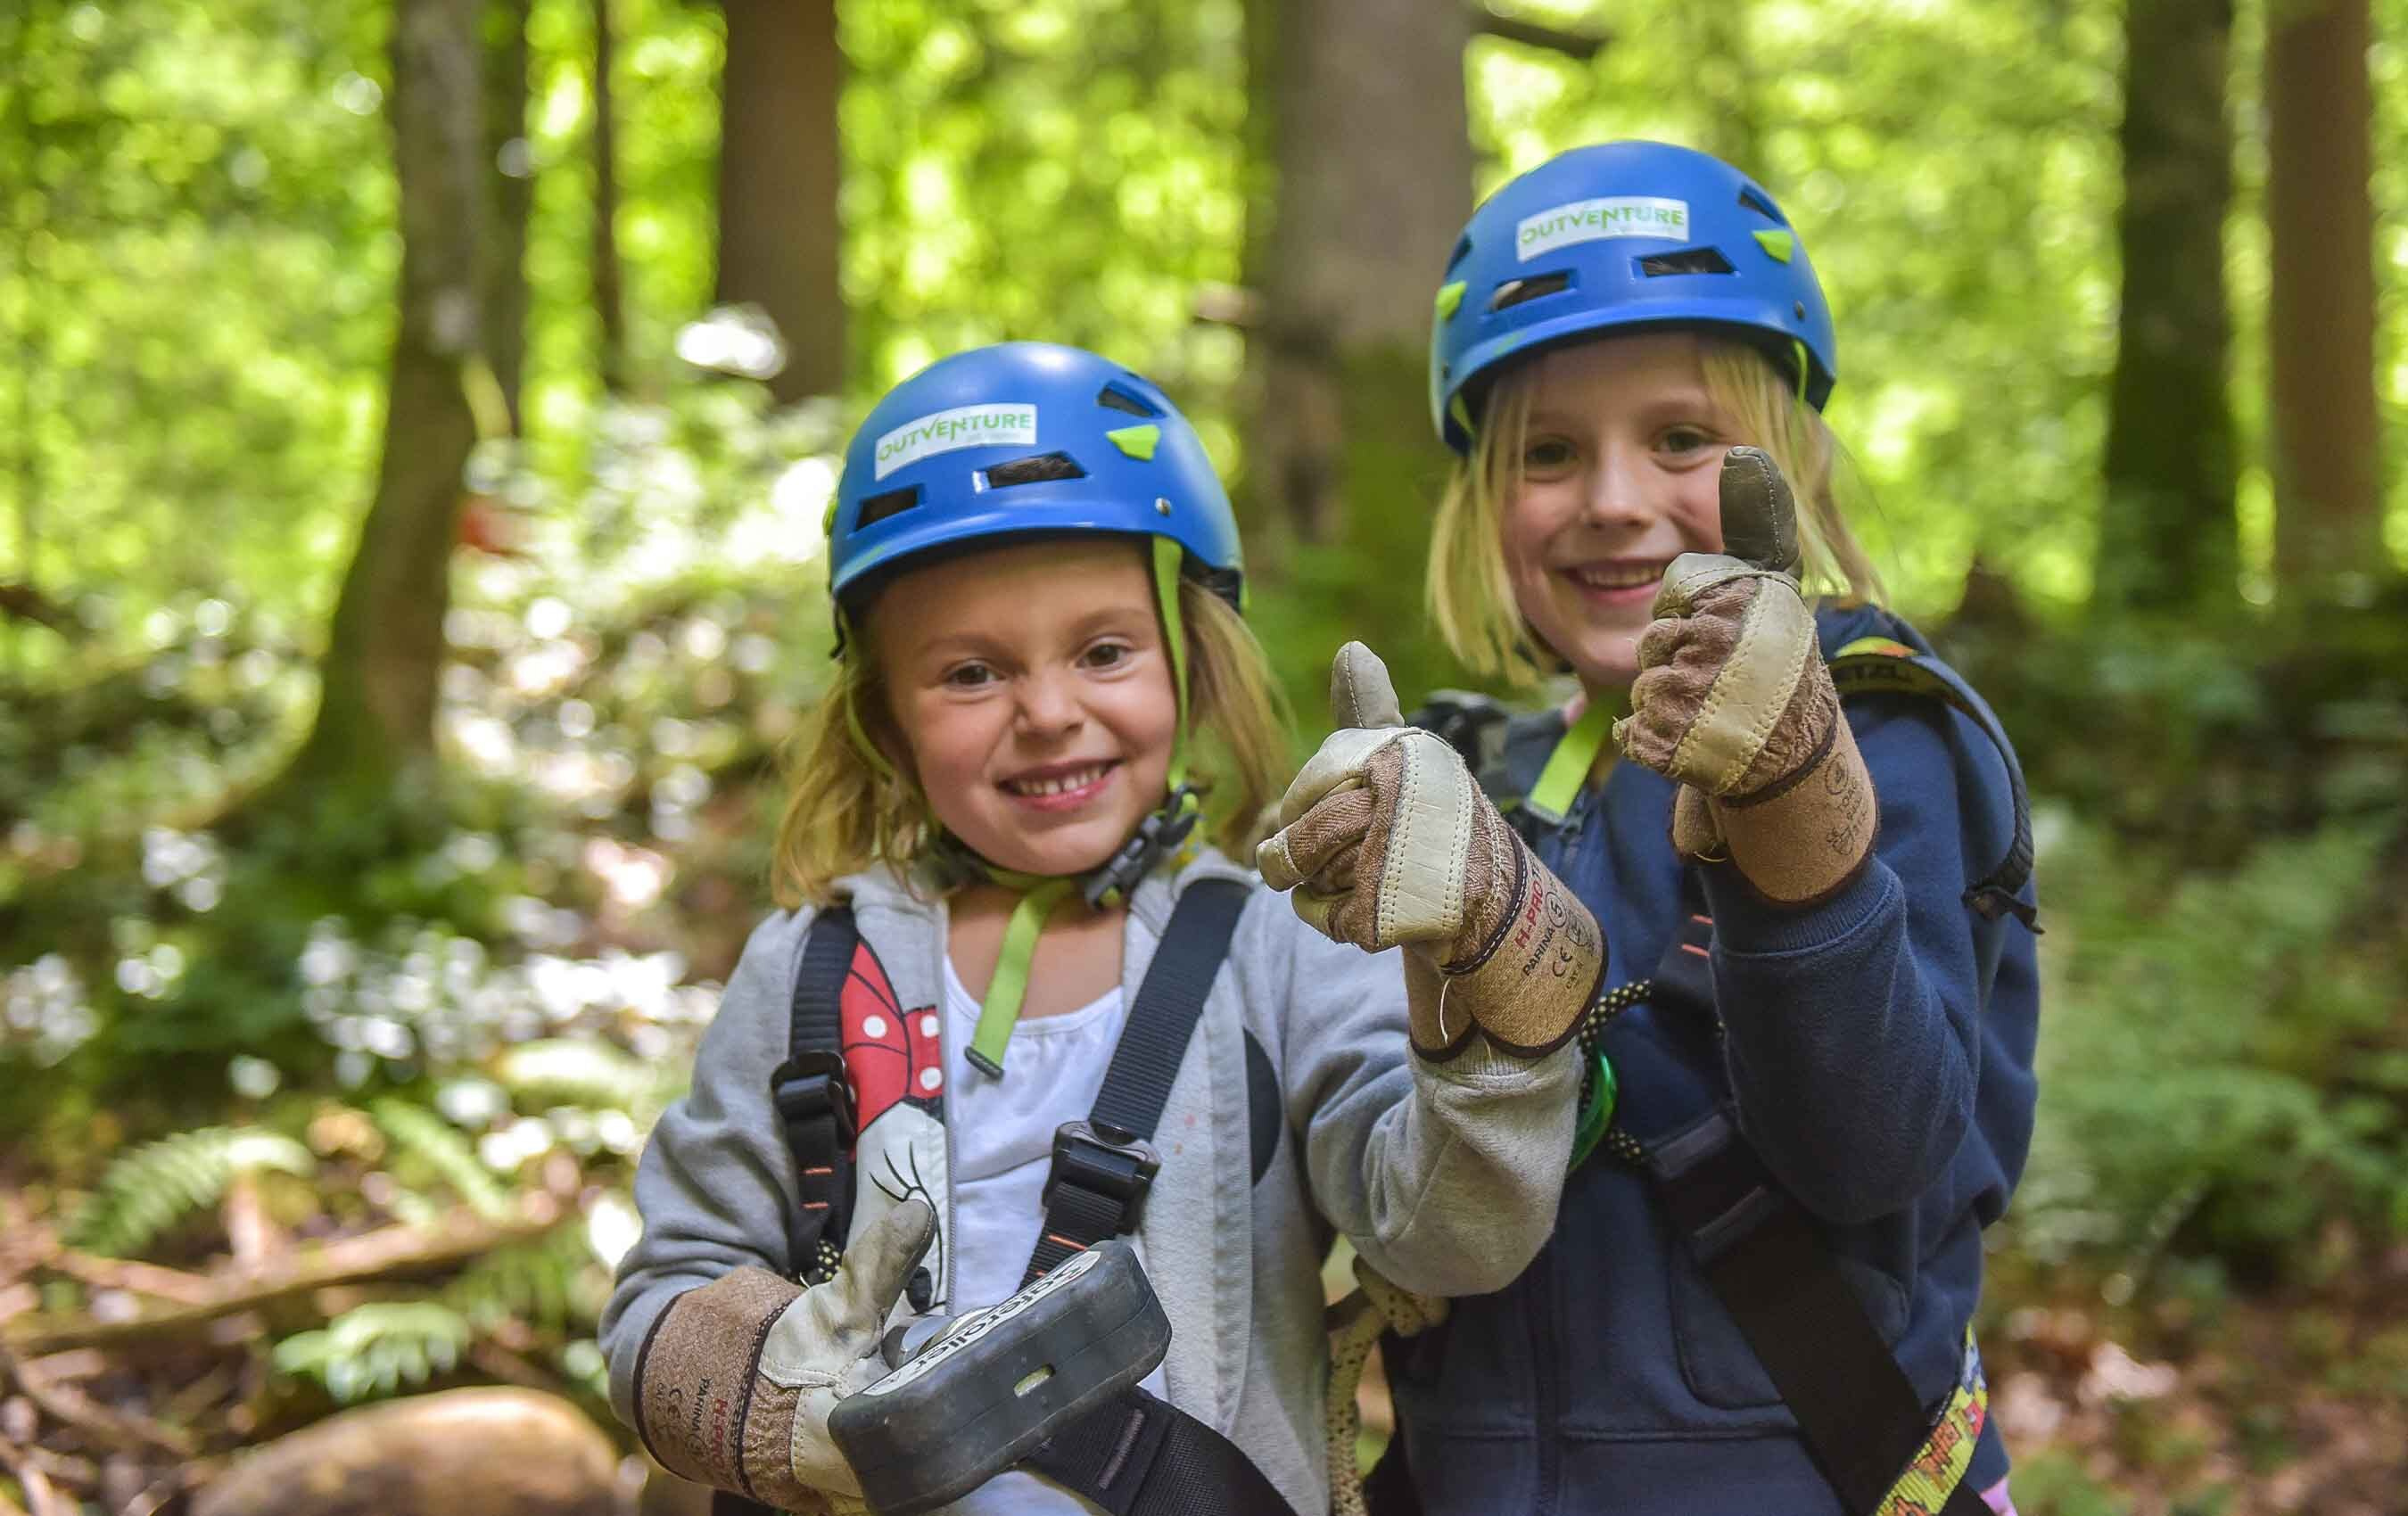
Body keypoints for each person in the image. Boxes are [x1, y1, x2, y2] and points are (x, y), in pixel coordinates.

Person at [598, 341, 1599, 1516]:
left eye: (1105, 651)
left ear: (1189, 662)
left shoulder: (1275, 947)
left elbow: (1447, 1240)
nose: (1049, 712)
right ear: (884, 711)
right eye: (970, 673)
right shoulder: (812, 966)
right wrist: (768, 1405)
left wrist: (1487, 993)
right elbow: (665, 1292)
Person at [1258, 142, 2041, 1516]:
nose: (1614, 500)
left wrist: (1796, 811)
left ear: (1790, 450)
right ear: (1484, 501)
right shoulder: (1484, 772)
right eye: (1550, 453)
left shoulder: (1885, 723)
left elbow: (1877, 1155)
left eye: (1680, 438)